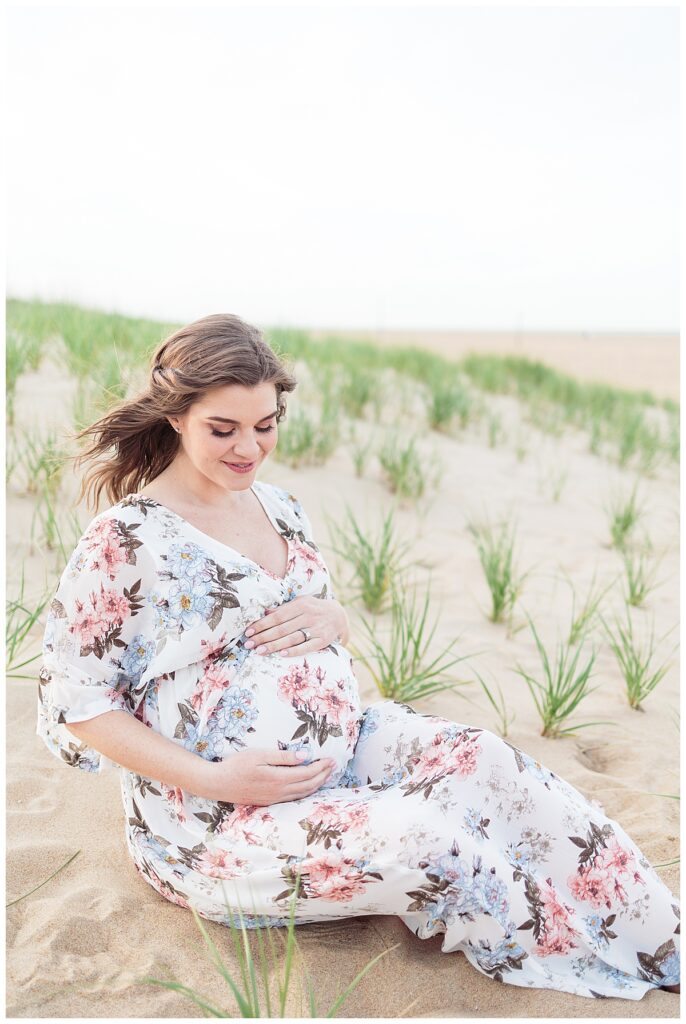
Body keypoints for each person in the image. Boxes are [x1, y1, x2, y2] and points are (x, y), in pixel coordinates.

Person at [37, 313, 680, 1001]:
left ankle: (661, 942)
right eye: (223, 429)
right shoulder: (127, 539)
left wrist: (336, 616)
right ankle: (589, 962)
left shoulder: (279, 508)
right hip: (218, 822)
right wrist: (217, 778)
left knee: (485, 762)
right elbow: (81, 701)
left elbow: (309, 628)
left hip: (343, 754)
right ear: (175, 418)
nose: (249, 448)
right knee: (432, 840)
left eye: (265, 424)